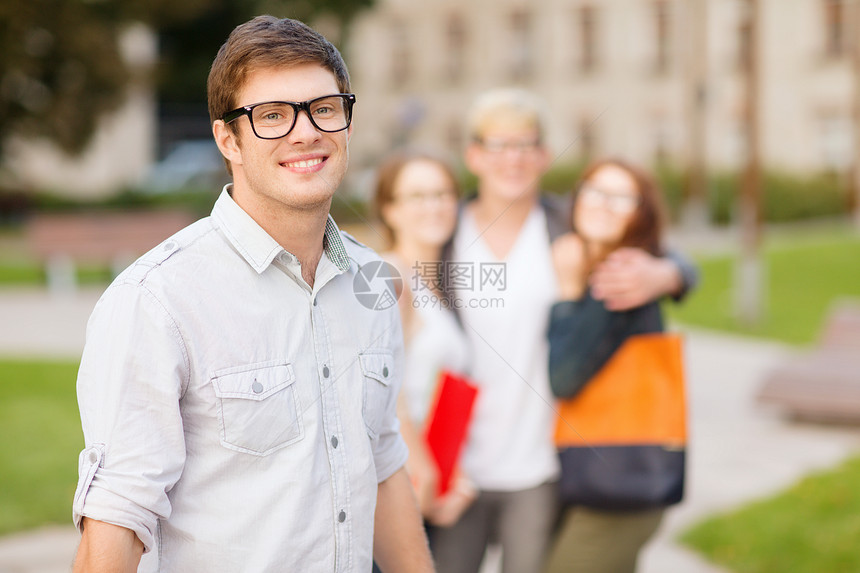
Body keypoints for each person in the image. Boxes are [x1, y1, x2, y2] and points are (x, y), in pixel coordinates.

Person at [71, 16, 433, 573]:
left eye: (324, 108)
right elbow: (118, 515)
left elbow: (382, 464)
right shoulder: (157, 298)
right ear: (227, 139)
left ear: (347, 121)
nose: (306, 132)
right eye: (271, 116)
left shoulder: (373, 281)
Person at [431, 88, 697, 573]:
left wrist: (669, 273)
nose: (512, 159)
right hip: (460, 463)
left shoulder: (569, 227)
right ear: (474, 155)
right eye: (498, 145)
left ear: (544, 156)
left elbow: (659, 248)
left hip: (542, 467)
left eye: (525, 145)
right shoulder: (443, 234)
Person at [544, 158, 680, 573]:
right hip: (609, 481)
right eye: (595, 191)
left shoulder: (621, 277)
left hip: (615, 488)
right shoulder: (613, 264)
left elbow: (563, 378)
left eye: (621, 198)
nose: (604, 204)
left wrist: (567, 293)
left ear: (641, 213)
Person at [373, 151, 477, 529]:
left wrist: (455, 475)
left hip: (431, 479)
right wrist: (424, 469)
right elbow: (384, 387)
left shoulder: (440, 285)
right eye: (417, 196)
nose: (434, 206)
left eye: (443, 194)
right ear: (390, 210)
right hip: (399, 479)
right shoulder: (389, 275)